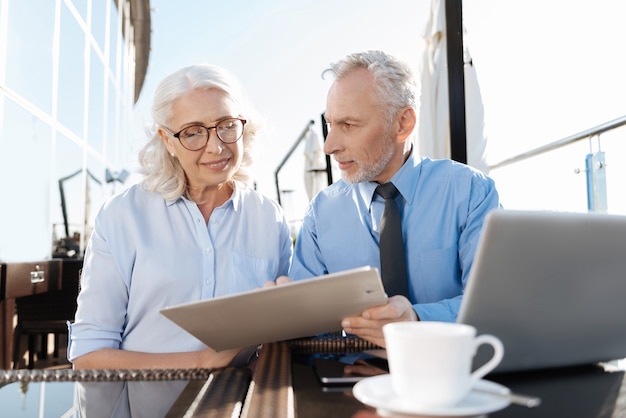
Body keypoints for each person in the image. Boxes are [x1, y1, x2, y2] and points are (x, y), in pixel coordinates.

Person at [68, 64, 293, 369]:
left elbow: (283, 332)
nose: (216, 146)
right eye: (193, 133)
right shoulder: (123, 216)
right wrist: (201, 361)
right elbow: (88, 356)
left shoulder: (269, 217)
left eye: (226, 125)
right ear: (168, 141)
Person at [285, 50, 501, 348]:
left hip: (451, 372)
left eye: (348, 125)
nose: (329, 145)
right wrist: (290, 316)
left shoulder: (469, 193)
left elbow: (494, 304)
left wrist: (416, 319)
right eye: (329, 125)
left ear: (403, 124)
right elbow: (308, 337)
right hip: (348, 381)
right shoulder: (321, 214)